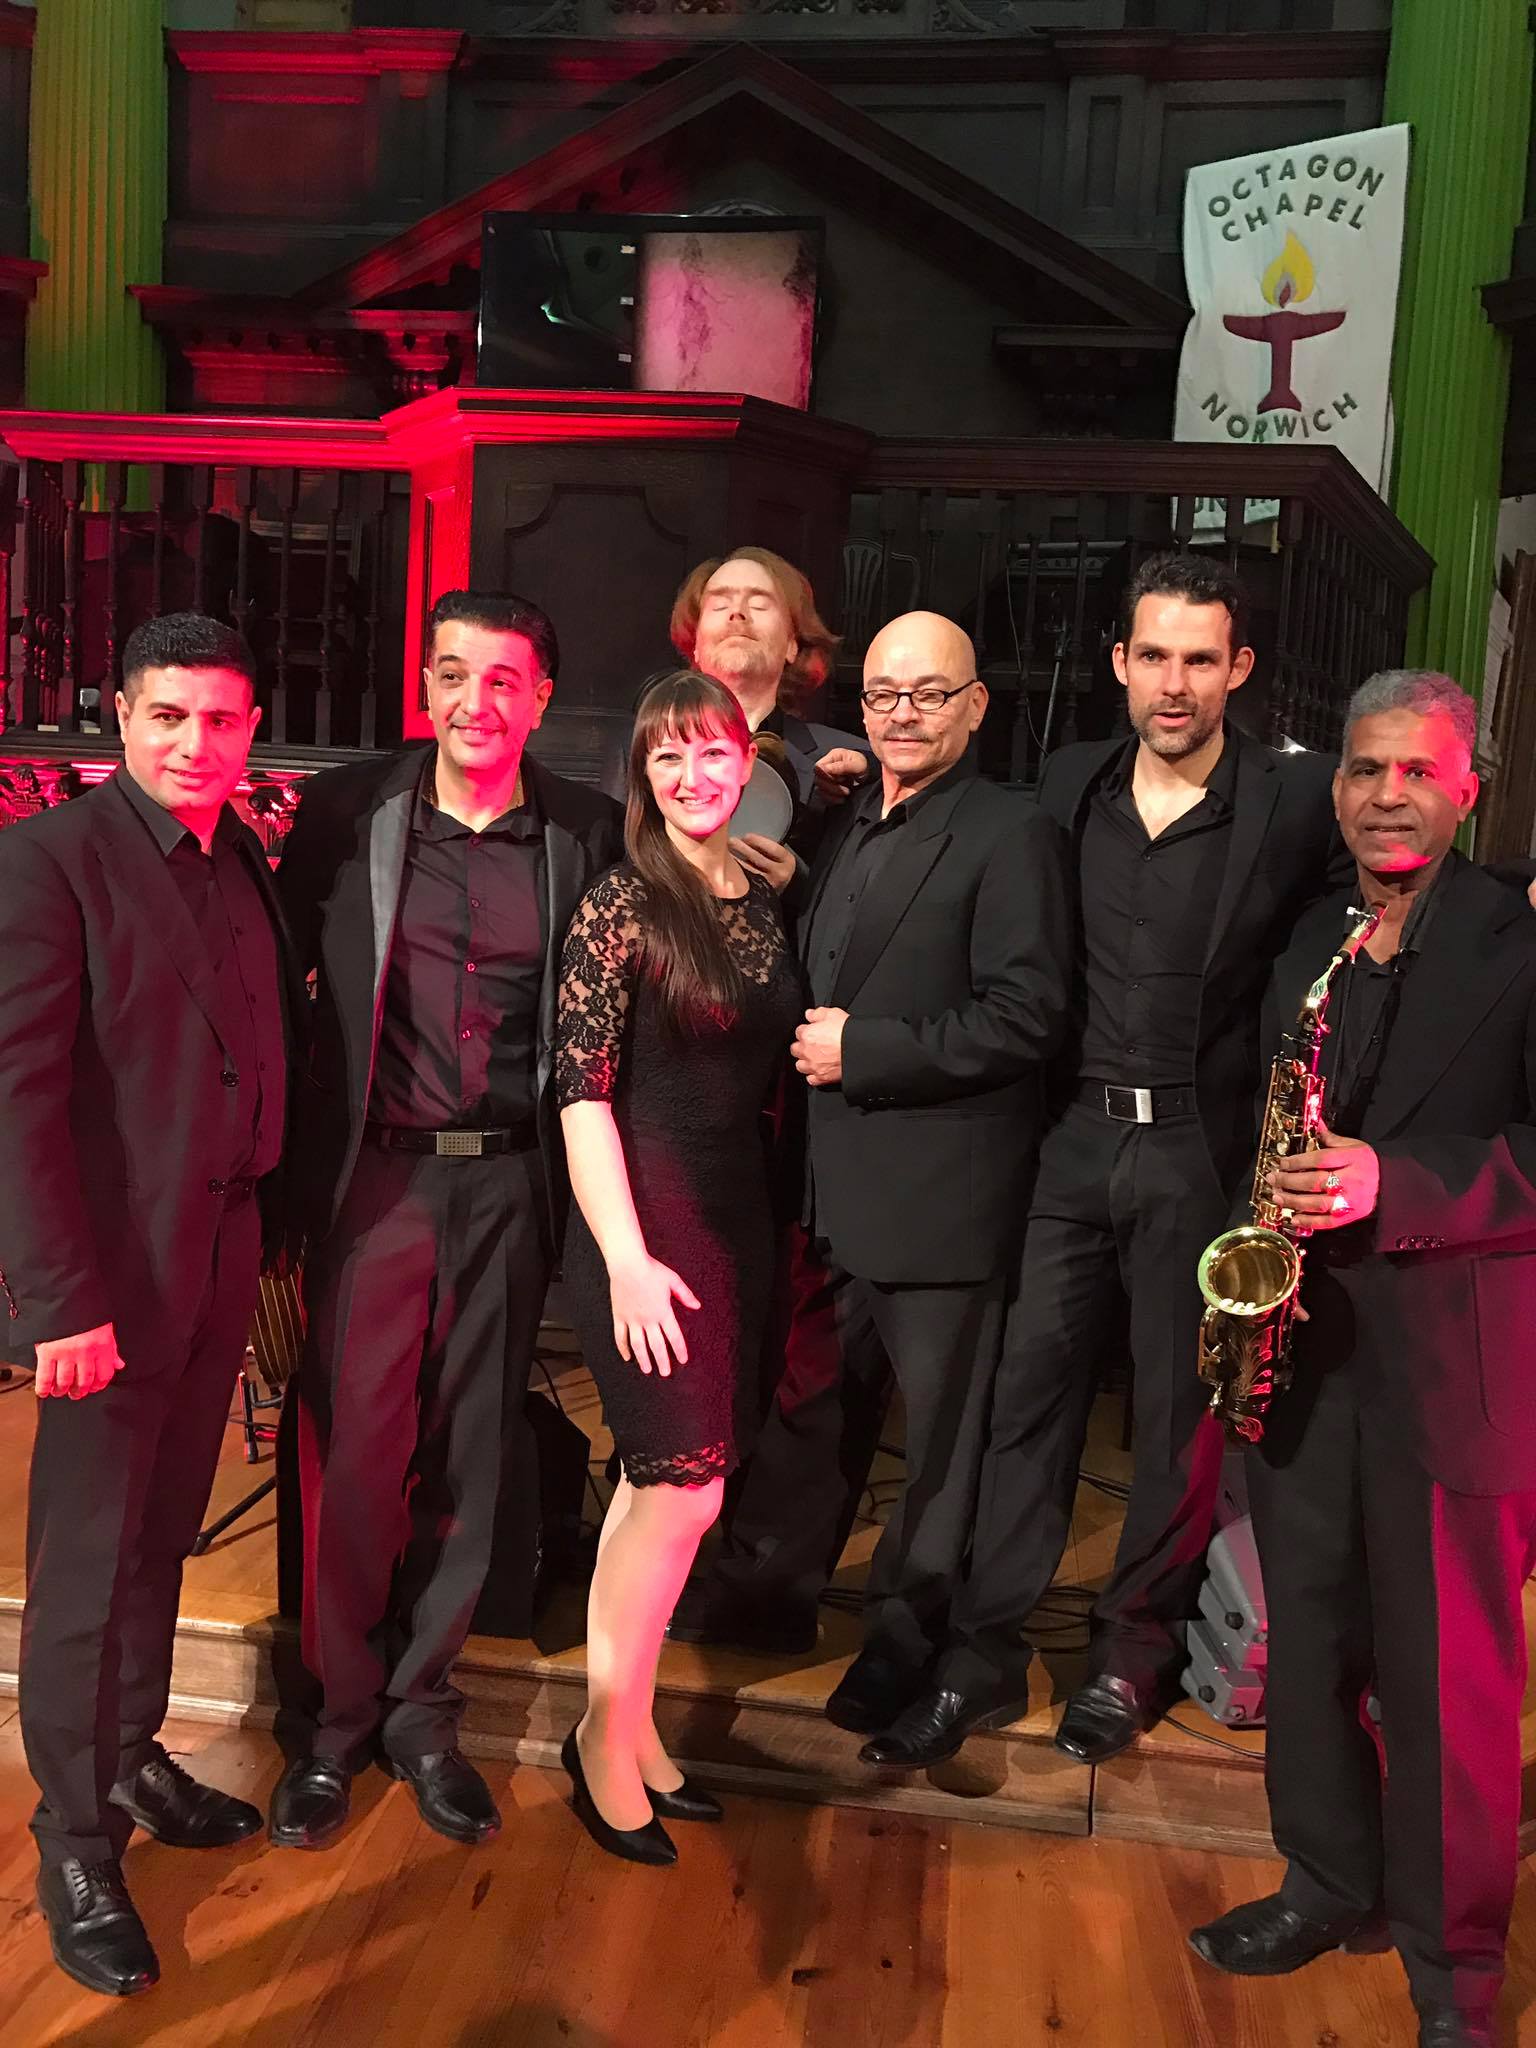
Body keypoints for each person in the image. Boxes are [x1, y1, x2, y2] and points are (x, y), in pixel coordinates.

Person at [864, 551, 1351, 1771]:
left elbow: (1392, 868)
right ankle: (980, 1654)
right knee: (1021, 1403)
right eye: (1155, 656)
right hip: (1070, 1138)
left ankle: (1132, 1654)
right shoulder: (1068, 780)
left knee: (1179, 1420)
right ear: (1119, 662)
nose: (1175, 683)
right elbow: (951, 827)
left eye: (1201, 658)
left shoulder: (1293, 799)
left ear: (1238, 668)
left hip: (1199, 1147)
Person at [1188, 671, 1536, 2048]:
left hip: (1452, 1365)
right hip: (1307, 1348)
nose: (1389, 794)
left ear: (1469, 789)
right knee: (1311, 1635)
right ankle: (1327, 1878)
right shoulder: (1313, 936)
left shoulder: (1519, 938)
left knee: (1449, 1673)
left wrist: (1400, 1179)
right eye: (1365, 768)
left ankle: (1456, 1975)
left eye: (1419, 771)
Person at [268, 590, 621, 1852]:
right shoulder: (346, 810)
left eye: (506, 679)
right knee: (351, 1455)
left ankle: (423, 1713)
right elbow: (275, 985)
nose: (478, 701)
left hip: (511, 1183)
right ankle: (331, 1723)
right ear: (426, 685)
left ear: (541, 698)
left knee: (473, 1455)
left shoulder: (585, 831)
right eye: (456, 674)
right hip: (375, 1180)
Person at [0, 613, 295, 1998]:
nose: (196, 742)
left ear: (252, 731)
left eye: (222, 719)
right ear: (119, 716)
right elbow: (18, 1103)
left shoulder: (240, 855)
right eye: (169, 715)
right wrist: (58, 1302)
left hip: (220, 1252)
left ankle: (129, 1755)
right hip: (108, 1284)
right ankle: (73, 1835)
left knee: (164, 1534)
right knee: (86, 1562)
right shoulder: (50, 861)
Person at [783, 609, 1070, 1735]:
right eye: (883, 693)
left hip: (944, 1197)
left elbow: (1027, 1014)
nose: (903, 713)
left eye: (929, 693)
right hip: (834, 1191)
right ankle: (798, 1602)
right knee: (828, 1423)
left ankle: (904, 1650)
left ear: (976, 704)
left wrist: (868, 1052)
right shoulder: (849, 822)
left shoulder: (1011, 832)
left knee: (941, 1453)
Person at [555, 670, 805, 1864]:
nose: (694, 775)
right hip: (646, 1225)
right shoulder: (622, 902)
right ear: (643, 776)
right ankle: (604, 1742)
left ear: (748, 761)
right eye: (669, 757)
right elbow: (581, 1096)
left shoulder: (759, 892)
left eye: (713, 752)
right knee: (682, 1491)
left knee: (655, 1486)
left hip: (736, 1217)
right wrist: (626, 1259)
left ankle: (631, 1723)